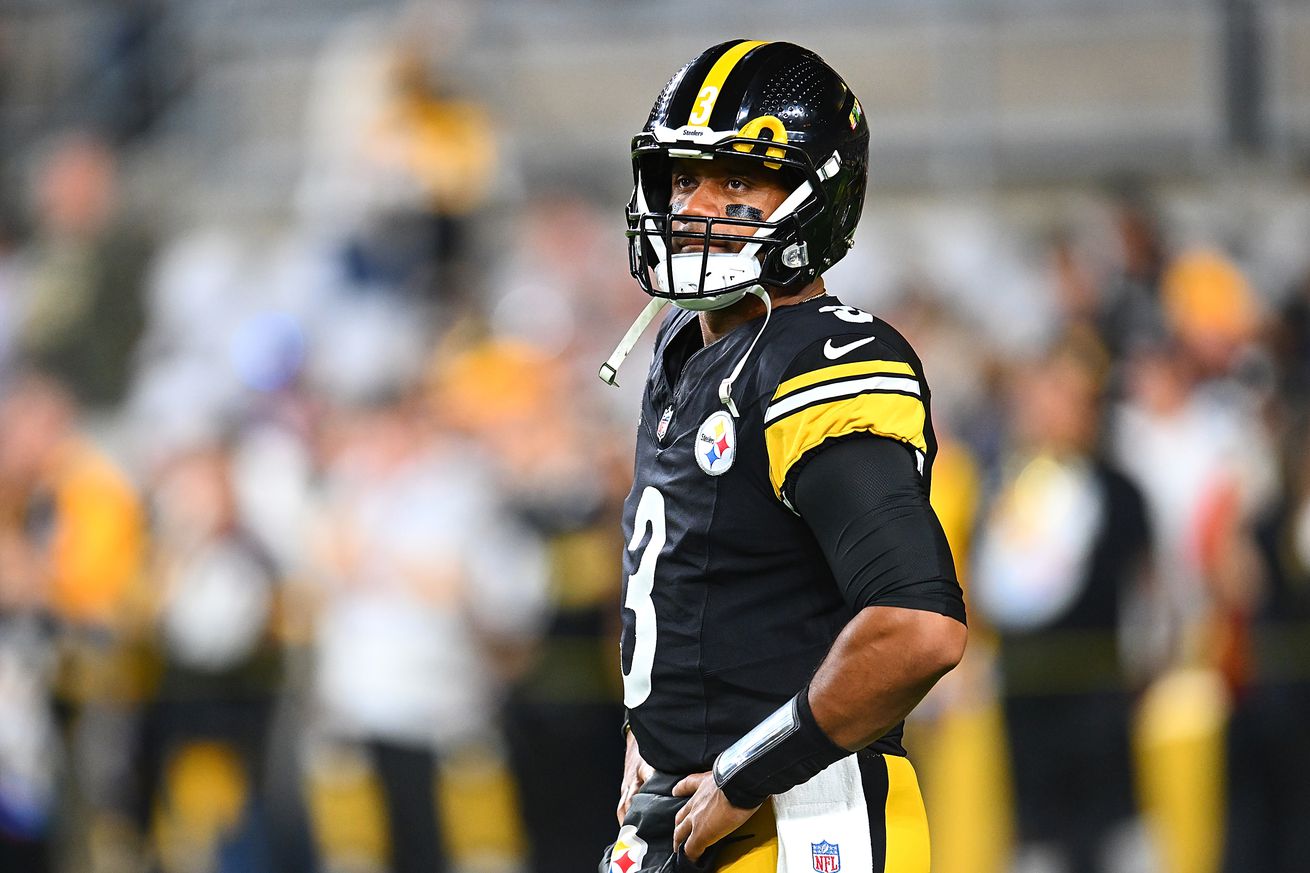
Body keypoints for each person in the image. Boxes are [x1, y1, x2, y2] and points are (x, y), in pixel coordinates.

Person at [597, 40, 967, 873]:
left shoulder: (823, 359)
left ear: (815, 195)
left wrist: (744, 768)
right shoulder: (684, 345)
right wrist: (651, 734)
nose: (692, 205)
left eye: (734, 180)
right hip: (686, 811)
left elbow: (917, 627)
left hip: (805, 820)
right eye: (683, 177)